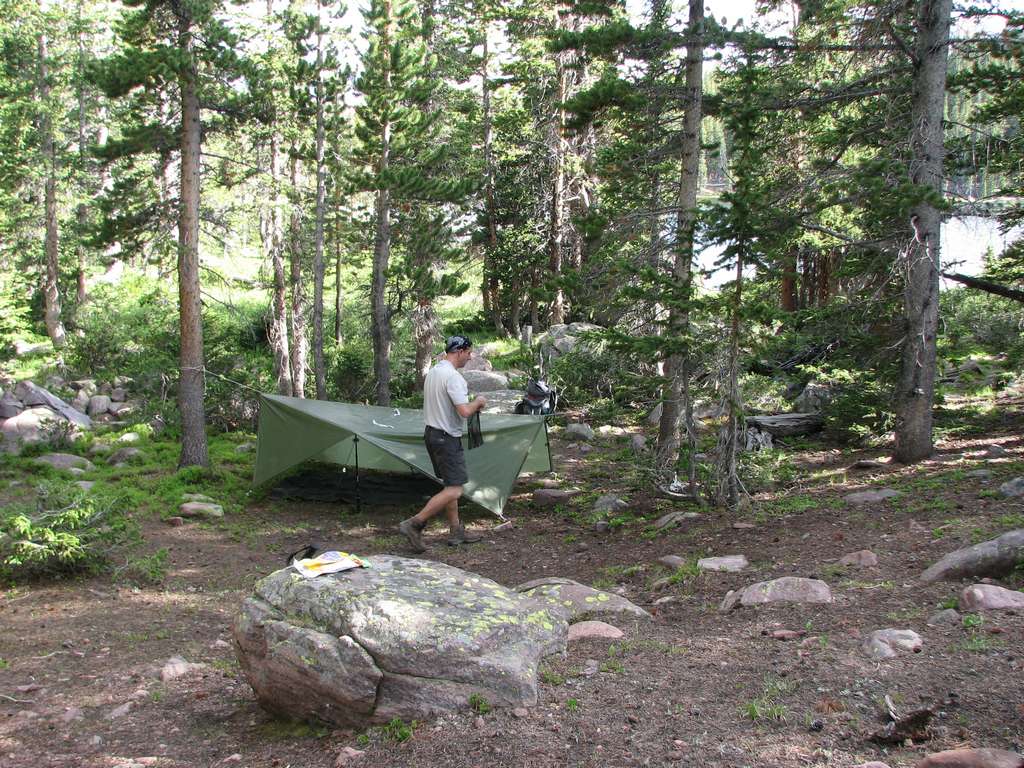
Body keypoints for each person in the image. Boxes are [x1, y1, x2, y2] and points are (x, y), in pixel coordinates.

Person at [398, 335, 487, 552]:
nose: (470, 356)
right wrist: (478, 402)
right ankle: (414, 523)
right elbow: (465, 411)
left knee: (449, 485)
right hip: (446, 438)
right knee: (455, 490)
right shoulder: (453, 377)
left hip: (432, 434)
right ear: (459, 351)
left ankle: (456, 530)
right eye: (468, 352)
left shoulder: (435, 372)